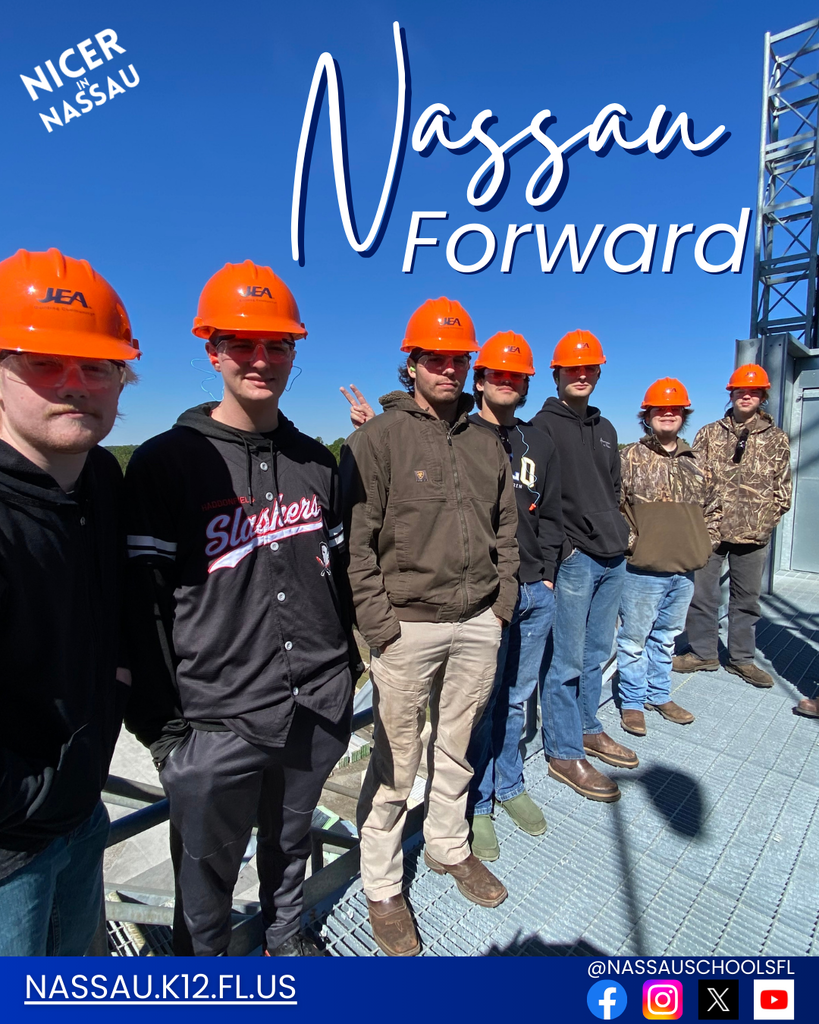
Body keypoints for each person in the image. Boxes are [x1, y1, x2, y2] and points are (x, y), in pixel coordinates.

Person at [124, 260, 356, 957]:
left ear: (293, 352)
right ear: (212, 349)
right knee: (205, 877)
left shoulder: (317, 461)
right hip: (216, 717)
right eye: (241, 342)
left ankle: (287, 943)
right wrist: (166, 736)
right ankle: (210, 978)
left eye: (276, 344)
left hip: (315, 703)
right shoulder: (167, 461)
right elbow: (144, 609)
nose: (260, 358)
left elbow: (340, 578)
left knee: (290, 844)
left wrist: (345, 674)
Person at [340, 298, 518, 956]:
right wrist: (380, 628)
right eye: (433, 358)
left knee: (455, 748)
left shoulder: (484, 442)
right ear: (410, 363)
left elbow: (506, 525)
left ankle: (448, 847)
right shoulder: (375, 440)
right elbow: (354, 546)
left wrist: (501, 604)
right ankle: (383, 887)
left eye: (456, 359)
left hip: (476, 622)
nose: (446, 368)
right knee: (394, 763)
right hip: (406, 629)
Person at [0, 246, 139, 955]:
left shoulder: (99, 488)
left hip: (82, 814)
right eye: (41, 362)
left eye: (95, 365)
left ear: (122, 379)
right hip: (8, 855)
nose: (73, 384)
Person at [465, 333, 562, 860]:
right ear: (479, 379)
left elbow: (552, 512)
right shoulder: (457, 434)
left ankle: (510, 786)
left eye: (515, 376)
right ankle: (477, 806)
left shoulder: (537, 440)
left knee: (518, 699)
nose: (506, 382)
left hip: (534, 590)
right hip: (484, 594)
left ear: (527, 384)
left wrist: (545, 574)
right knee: (480, 703)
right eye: (496, 374)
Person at [533, 330, 636, 803]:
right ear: (556, 374)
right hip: (575, 561)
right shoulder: (542, 428)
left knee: (597, 652)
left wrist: (622, 538)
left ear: (597, 373)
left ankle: (589, 727)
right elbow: (538, 502)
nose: (581, 374)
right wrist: (564, 555)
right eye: (572, 368)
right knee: (566, 660)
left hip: (612, 557)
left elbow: (612, 492)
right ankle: (564, 751)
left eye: (589, 367)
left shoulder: (607, 429)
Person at [673, 365, 792, 688]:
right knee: (702, 594)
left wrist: (765, 519)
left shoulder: (777, 439)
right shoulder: (711, 433)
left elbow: (783, 490)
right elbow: (692, 478)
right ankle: (703, 652)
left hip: (753, 534)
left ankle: (741, 659)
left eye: (753, 391)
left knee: (746, 599)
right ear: (732, 394)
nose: (746, 395)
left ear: (762, 396)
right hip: (710, 531)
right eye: (740, 390)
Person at [616, 379, 721, 736]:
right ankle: (632, 702)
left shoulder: (698, 463)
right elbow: (612, 506)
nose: (667, 414)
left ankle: (659, 695)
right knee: (633, 641)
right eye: (659, 409)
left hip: (684, 571)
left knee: (666, 638)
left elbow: (715, 510)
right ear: (647, 415)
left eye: (674, 409)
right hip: (642, 571)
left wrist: (702, 546)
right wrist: (635, 544)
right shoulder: (629, 457)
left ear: (683, 416)